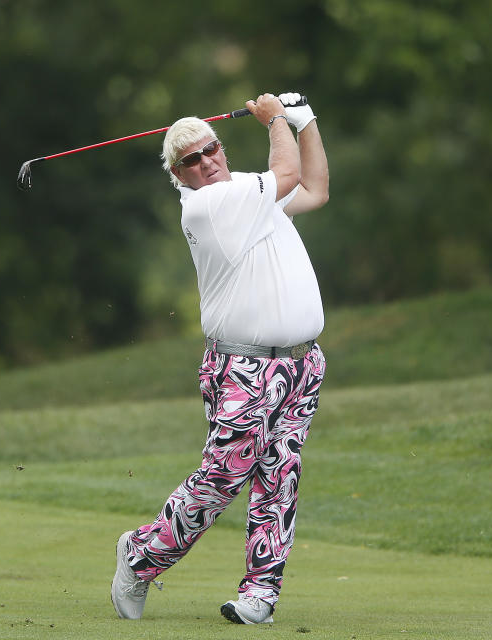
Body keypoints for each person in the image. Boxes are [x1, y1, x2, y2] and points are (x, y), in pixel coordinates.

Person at [111, 92, 329, 625]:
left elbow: (316, 188)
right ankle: (142, 556)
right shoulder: (210, 205)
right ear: (177, 175)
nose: (206, 162)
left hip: (300, 365)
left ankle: (260, 594)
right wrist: (277, 116)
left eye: (210, 149)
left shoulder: (246, 192)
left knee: (279, 476)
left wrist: (306, 122)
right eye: (191, 160)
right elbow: (286, 171)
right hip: (243, 366)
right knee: (223, 477)